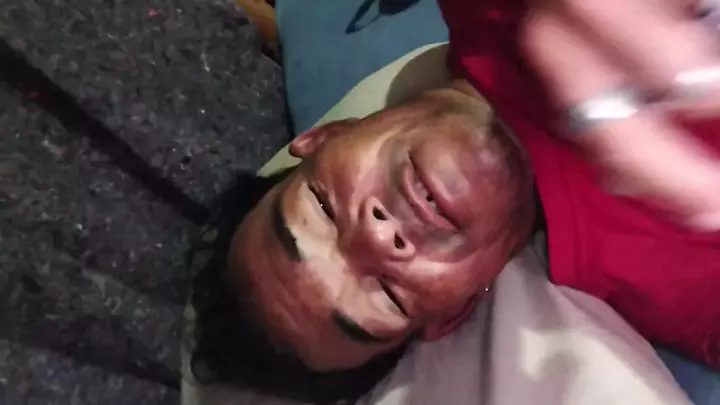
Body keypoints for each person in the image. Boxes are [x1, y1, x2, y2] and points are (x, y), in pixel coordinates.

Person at [182, 0, 719, 404]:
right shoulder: (679, 289)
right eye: (388, 296)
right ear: (455, 312)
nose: (378, 238)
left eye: (322, 208)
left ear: (325, 136)